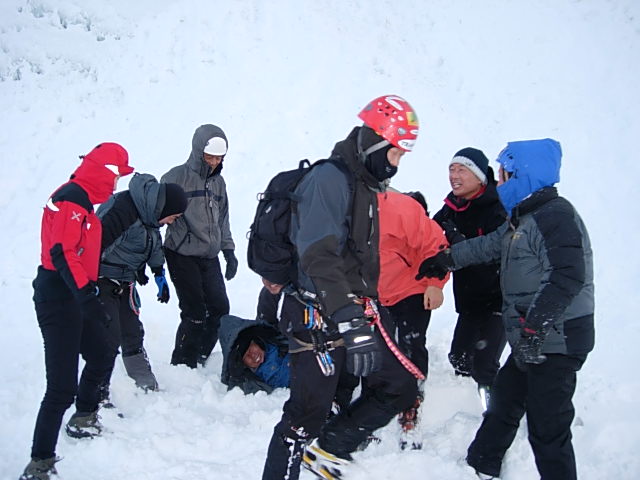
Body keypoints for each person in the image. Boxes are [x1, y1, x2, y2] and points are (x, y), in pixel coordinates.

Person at [261, 95, 421, 480]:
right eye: (395, 154)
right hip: (315, 313)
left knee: (399, 385)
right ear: (375, 144)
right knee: (305, 415)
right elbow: (318, 255)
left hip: (355, 307)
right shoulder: (329, 180)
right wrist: (349, 319)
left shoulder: (364, 184)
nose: (396, 165)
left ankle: (330, 449)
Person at [416, 138, 594, 480]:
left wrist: (535, 327)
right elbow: (487, 246)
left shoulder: (556, 216)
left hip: (556, 340)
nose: (499, 180)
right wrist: (446, 260)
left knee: (547, 429)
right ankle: (480, 466)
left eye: (503, 174)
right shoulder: (524, 217)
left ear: (522, 174)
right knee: (504, 405)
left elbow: (568, 276)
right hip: (535, 338)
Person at [20, 143, 134, 480]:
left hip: (76, 293)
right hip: (58, 296)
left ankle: (84, 417)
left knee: (102, 352)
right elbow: (62, 251)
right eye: (115, 177)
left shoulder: (82, 200)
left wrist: (88, 294)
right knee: (60, 388)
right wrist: (86, 297)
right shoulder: (72, 199)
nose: (115, 185)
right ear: (102, 172)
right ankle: (39, 463)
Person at [95, 173, 187, 397]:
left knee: (132, 331)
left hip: (125, 280)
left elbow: (153, 244)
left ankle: (143, 380)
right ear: (165, 208)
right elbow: (95, 247)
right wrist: (88, 284)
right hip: (101, 278)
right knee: (107, 336)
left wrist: (158, 273)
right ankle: (96, 392)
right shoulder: (122, 210)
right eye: (173, 216)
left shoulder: (150, 214)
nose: (171, 222)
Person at [431, 147, 507, 410]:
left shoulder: (499, 207)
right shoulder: (453, 207)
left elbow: (496, 251)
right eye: (451, 169)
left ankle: (495, 414)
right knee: (460, 359)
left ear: (479, 176)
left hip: (499, 299)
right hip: (471, 300)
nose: (454, 175)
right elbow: (430, 229)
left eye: (461, 169)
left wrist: (458, 240)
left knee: (484, 365)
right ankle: (462, 412)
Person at [161, 124, 238, 368]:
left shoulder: (218, 183)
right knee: (194, 312)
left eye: (219, 158)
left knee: (220, 308)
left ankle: (201, 355)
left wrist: (228, 250)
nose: (214, 162)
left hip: (209, 254)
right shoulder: (175, 178)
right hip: (181, 253)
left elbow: (223, 218)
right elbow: (158, 217)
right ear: (198, 152)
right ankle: (183, 363)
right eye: (210, 156)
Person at [376, 189, 449, 448]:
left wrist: (435, 285)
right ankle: (374, 404)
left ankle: (412, 399)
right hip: (376, 294)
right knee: (377, 349)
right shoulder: (354, 213)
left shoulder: (403, 213)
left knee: (411, 341)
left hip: (411, 288)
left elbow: (437, 248)